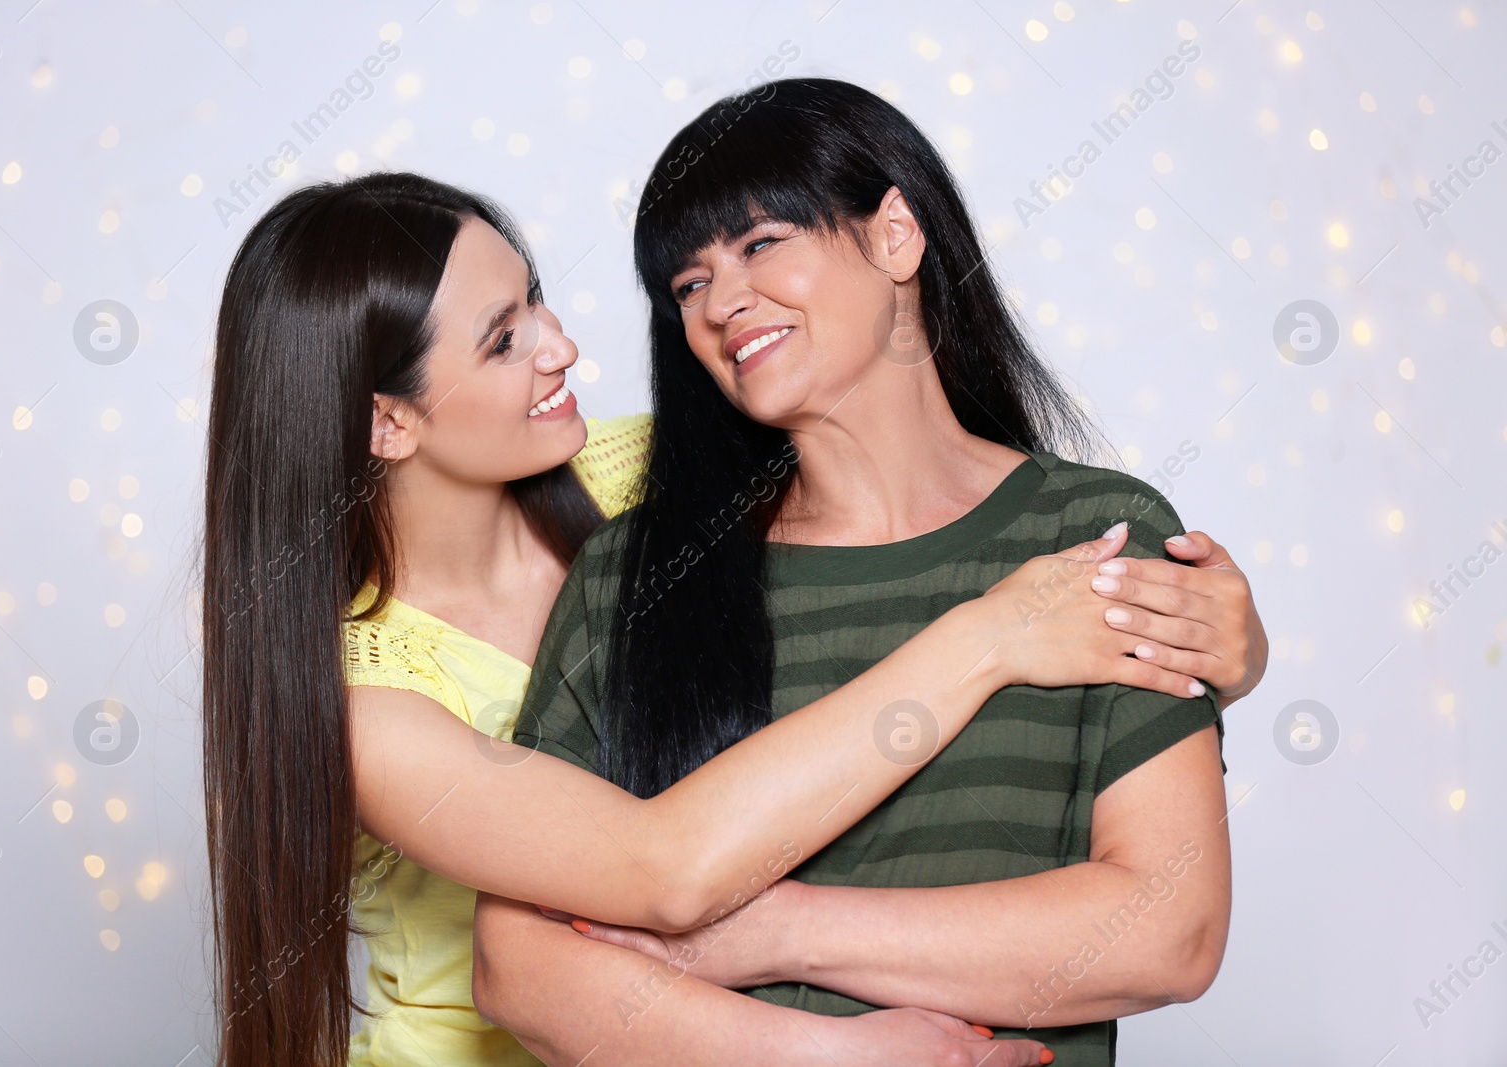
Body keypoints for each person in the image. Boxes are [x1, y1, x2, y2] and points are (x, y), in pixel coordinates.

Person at [200, 169, 1262, 1066]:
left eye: (538, 301)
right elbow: (661, 867)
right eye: (502, 340)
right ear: (387, 420)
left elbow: (908, 491)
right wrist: (989, 636)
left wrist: (1206, 634)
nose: (561, 347)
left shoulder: (634, 481)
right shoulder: (367, 700)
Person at [472, 79, 1262, 1067]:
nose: (721, 302)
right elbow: (519, 964)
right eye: (686, 282)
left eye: (760, 244)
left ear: (895, 235)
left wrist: (778, 927)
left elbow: (1166, 931)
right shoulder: (633, 573)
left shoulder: (1092, 537)